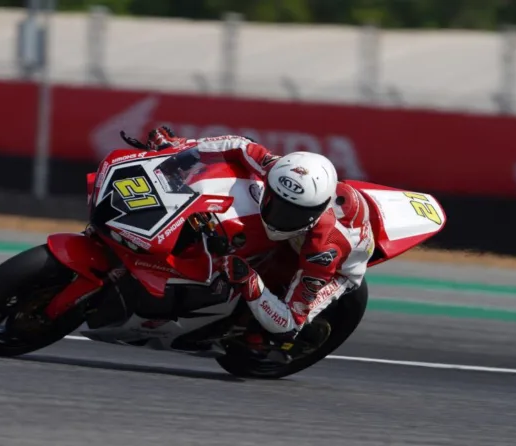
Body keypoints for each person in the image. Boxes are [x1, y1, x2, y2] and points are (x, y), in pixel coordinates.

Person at [144, 126, 375, 345]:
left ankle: (265, 338)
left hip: (337, 268)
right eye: (276, 203)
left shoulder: (322, 252)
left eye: (293, 214)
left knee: (283, 330)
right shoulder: (280, 172)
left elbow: (289, 322)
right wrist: (179, 146)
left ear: (316, 212)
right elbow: (240, 145)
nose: (280, 217)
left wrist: (250, 281)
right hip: (298, 235)